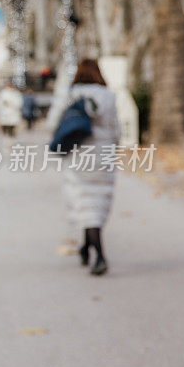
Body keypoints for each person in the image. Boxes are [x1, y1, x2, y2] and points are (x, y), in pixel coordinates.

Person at [62, 59, 119, 276]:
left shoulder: (71, 94)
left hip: (78, 154)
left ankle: (99, 255)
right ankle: (87, 248)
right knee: (97, 201)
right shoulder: (109, 96)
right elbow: (115, 130)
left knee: (85, 202)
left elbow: (54, 123)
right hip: (103, 155)